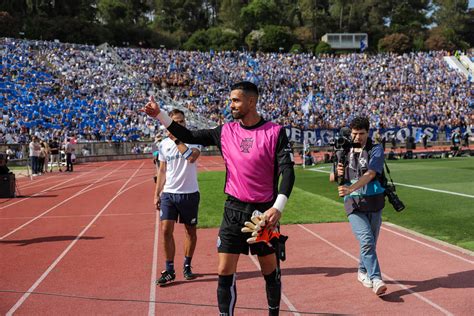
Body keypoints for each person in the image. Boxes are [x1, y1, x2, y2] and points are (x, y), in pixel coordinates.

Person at [143, 81, 295, 315]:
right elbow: (188, 134)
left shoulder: (275, 132)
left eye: (236, 100)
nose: (231, 104)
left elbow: (288, 171)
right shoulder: (225, 131)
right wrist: (160, 115)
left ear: (251, 101)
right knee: (224, 271)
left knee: (269, 270)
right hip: (233, 210)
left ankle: (273, 312)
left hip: (264, 214)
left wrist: (278, 207)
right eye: (231, 100)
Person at [329, 116, 387, 296]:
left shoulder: (376, 149)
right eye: (355, 133)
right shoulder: (344, 150)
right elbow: (332, 178)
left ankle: (362, 271)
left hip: (375, 202)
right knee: (367, 240)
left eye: (361, 133)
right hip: (353, 204)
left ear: (367, 132)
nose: (357, 137)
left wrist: (350, 187)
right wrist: (336, 173)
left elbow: (370, 174)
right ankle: (376, 278)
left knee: (370, 243)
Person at [154, 109, 202, 286]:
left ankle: (187, 265)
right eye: (175, 122)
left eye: (182, 122)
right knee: (166, 230)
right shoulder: (163, 145)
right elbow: (162, 170)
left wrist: (177, 138)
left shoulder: (194, 140)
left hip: (189, 193)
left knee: (190, 231)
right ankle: (170, 269)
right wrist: (156, 193)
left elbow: (191, 158)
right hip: (169, 193)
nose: (179, 124)